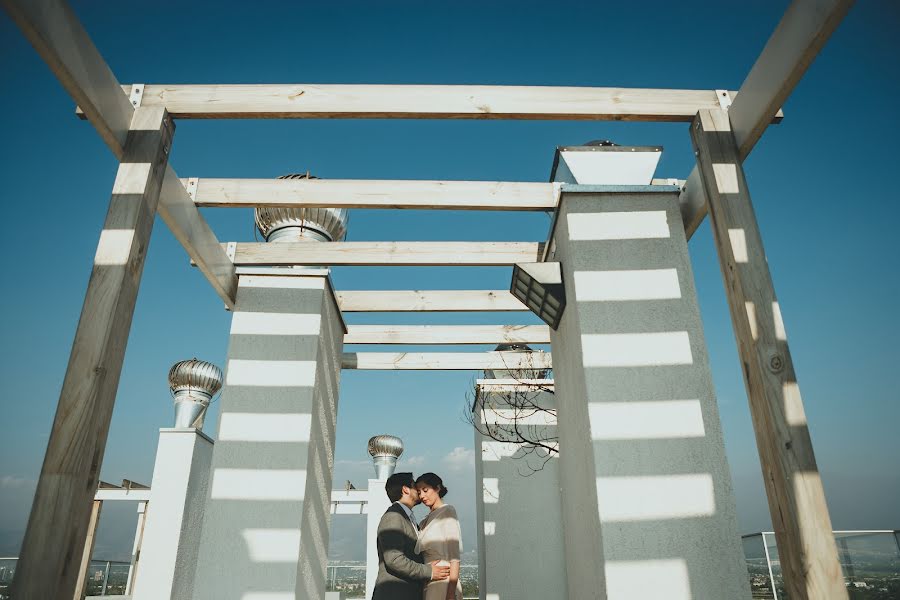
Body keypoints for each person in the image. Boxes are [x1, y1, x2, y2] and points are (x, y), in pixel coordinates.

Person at [372, 472, 450, 600]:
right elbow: (395, 560)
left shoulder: (407, 517)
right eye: (415, 486)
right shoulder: (393, 517)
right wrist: (429, 572)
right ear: (405, 489)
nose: (419, 491)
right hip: (395, 595)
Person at [415, 472, 463, 600]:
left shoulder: (447, 511)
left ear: (437, 488)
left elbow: (455, 558)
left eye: (425, 490)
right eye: (419, 492)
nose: (422, 496)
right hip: (428, 580)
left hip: (444, 582)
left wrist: (451, 594)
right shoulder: (424, 521)